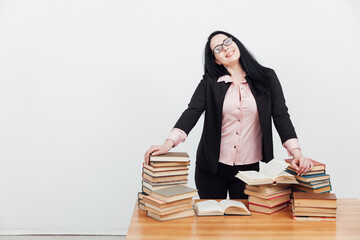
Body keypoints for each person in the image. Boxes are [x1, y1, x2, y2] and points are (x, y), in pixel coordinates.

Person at [144, 30, 313, 199]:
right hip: (210, 168)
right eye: (217, 49)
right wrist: (167, 144)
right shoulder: (209, 82)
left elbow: (281, 116)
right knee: (211, 222)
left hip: (248, 170)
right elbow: (192, 112)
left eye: (227, 42)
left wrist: (296, 153)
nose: (225, 48)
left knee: (242, 223)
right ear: (216, 60)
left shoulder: (267, 78)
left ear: (236, 43)